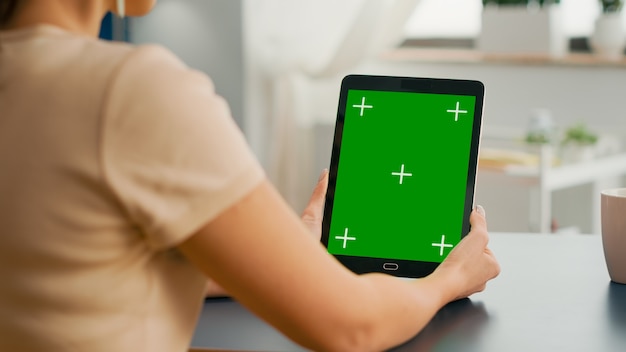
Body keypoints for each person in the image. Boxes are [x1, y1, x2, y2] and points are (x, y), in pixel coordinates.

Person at [0, 0, 500, 351]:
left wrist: (293, 248)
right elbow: (352, 328)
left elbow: (79, 268)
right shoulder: (132, 90)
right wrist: (449, 278)